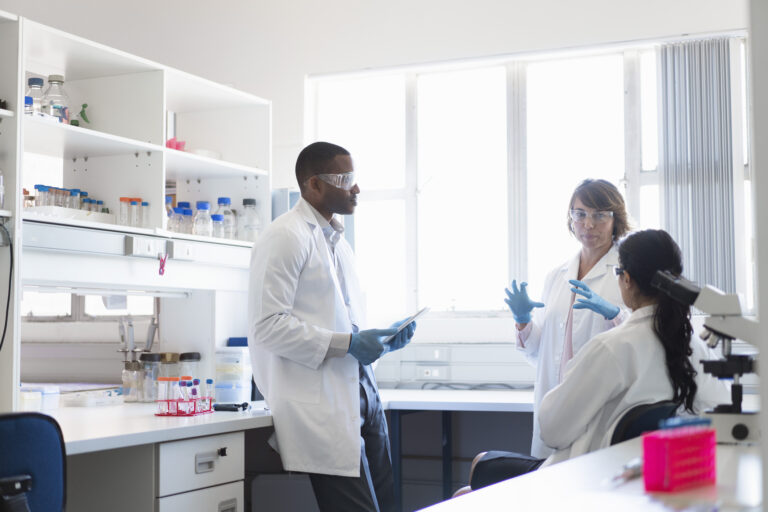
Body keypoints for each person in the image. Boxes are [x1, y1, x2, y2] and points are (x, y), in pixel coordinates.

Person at [463, 229, 730, 491]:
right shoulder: (698, 346)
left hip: (591, 480)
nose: (588, 224)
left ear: (626, 279)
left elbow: (552, 430)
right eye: (580, 214)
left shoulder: (611, 347)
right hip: (650, 480)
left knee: (469, 485)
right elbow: (718, 415)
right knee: (481, 470)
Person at [247, 141, 416, 512]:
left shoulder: (337, 240)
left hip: (361, 391)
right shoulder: (285, 237)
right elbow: (267, 327)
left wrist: (383, 341)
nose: (355, 188)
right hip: (323, 401)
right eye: (344, 178)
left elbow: (343, 321)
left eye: (354, 178)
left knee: (387, 504)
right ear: (314, 186)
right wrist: (350, 344)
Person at [504, 179, 630, 459]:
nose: (588, 224)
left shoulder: (627, 271)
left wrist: (616, 315)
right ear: (570, 219)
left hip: (598, 407)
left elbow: (641, 338)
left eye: (600, 215)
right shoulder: (556, 276)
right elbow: (542, 353)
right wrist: (523, 322)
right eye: (580, 214)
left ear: (615, 220)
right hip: (554, 403)